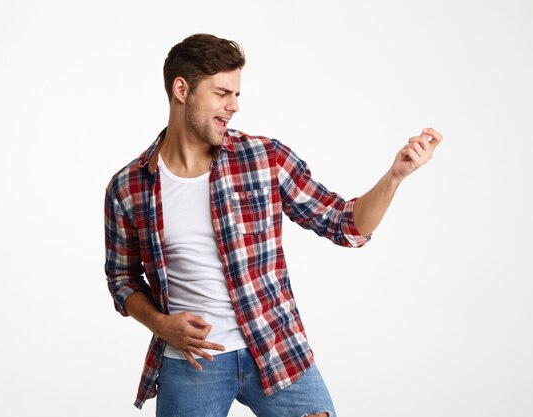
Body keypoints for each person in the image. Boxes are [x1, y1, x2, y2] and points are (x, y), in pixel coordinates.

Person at [104, 33, 442, 417]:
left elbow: (344, 225)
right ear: (182, 89)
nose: (233, 106)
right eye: (222, 93)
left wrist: (395, 176)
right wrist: (162, 324)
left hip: (275, 349)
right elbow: (122, 279)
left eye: (237, 95)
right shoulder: (129, 186)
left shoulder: (264, 158)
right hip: (192, 364)